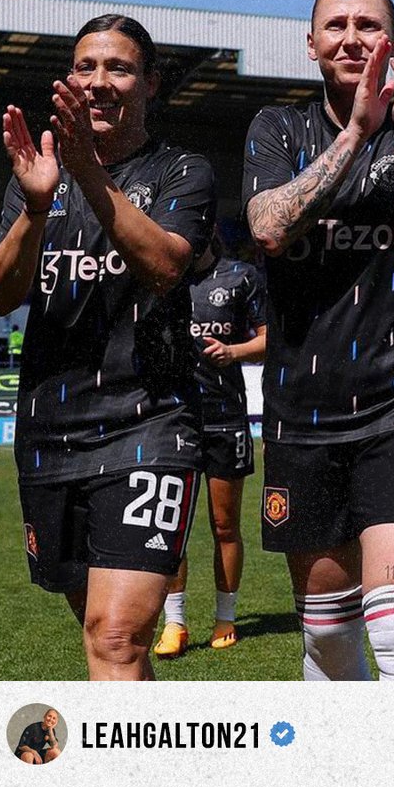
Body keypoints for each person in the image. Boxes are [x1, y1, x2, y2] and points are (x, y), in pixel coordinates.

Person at [0, 15, 217, 681]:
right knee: (103, 641)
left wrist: (87, 173)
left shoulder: (182, 171)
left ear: (150, 81)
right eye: (85, 67)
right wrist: (33, 208)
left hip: (150, 422)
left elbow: (166, 266)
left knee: (116, 637)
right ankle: (158, 782)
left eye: (117, 68)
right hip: (50, 434)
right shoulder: (36, 175)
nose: (99, 82)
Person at [241, 0, 394, 681]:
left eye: (369, 25)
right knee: (328, 638)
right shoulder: (276, 128)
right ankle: (343, 783)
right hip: (301, 413)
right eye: (335, 25)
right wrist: (359, 130)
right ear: (311, 44)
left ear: (393, 44)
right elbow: (270, 227)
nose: (351, 37)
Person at [154, 253, 267, 657]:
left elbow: (271, 339)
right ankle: (175, 623)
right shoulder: (161, 270)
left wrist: (234, 352)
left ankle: (225, 618)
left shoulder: (241, 275)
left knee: (224, 525)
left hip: (225, 418)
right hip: (174, 420)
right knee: (171, 528)